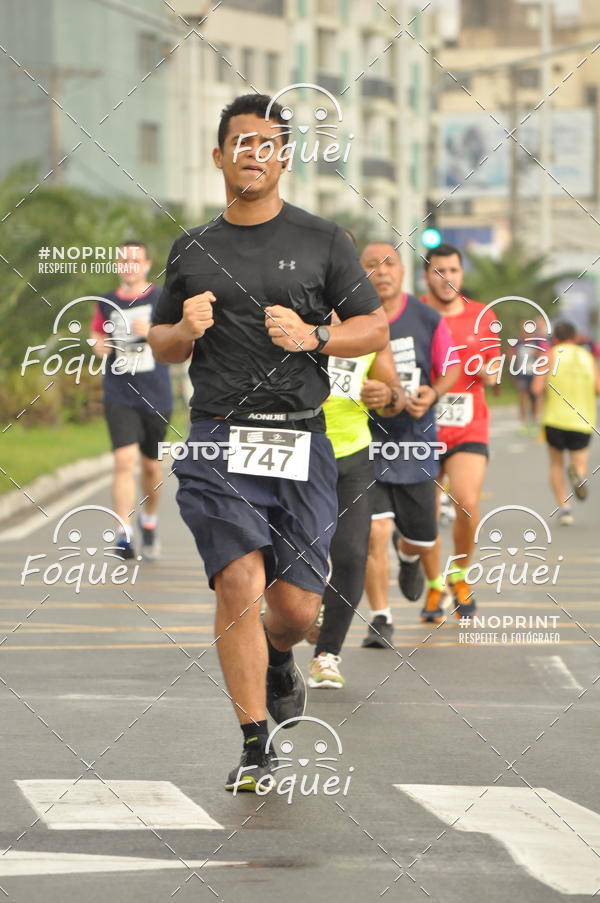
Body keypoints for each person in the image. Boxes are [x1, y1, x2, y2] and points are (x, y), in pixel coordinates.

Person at [148, 94, 388, 792]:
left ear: (284, 157)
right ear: (219, 156)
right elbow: (161, 344)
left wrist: (314, 336)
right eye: (240, 142)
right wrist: (184, 329)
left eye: (268, 143)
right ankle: (256, 743)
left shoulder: (324, 240)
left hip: (300, 439)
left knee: (294, 612)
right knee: (239, 580)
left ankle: (282, 659)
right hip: (218, 437)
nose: (253, 153)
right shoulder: (192, 248)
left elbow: (370, 328)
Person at [358, 242, 460, 640]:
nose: (381, 271)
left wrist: (432, 394)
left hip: (415, 443)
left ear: (402, 272)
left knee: (422, 538)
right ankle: (381, 618)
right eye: (371, 265)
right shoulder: (352, 319)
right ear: (359, 273)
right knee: (374, 532)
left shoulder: (426, 318)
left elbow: (449, 367)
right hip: (364, 444)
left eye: (389, 264)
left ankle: (408, 555)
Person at [308, 330, 405, 688]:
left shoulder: (368, 327)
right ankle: (284, 640)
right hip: (299, 453)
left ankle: (326, 655)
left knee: (351, 554)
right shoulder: (292, 312)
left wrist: (388, 395)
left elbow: (395, 397)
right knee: (298, 554)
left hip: (352, 456)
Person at [422, 243, 496, 618]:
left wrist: (490, 372)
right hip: (421, 427)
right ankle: (434, 585)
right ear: (427, 275)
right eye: (439, 271)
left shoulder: (483, 316)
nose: (447, 278)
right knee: (424, 515)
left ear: (461, 274)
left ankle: (460, 574)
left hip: (469, 425)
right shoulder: (415, 312)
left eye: (453, 270)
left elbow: (495, 370)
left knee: (466, 503)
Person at [91, 240, 172, 560]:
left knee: (151, 466)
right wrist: (98, 345)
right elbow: (97, 333)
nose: (129, 266)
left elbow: (177, 335)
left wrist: (152, 330)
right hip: (119, 391)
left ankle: (149, 522)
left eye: (135, 260)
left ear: (147, 265)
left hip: (156, 392)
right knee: (124, 461)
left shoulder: (161, 298)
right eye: (123, 260)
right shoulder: (107, 301)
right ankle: (123, 533)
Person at [532, 319, 600, 526]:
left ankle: (565, 509)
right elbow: (598, 388)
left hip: (554, 419)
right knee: (578, 462)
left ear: (556, 339)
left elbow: (535, 389)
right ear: (575, 338)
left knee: (555, 464)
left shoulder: (549, 356)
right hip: (582, 419)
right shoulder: (587, 357)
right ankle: (578, 476)